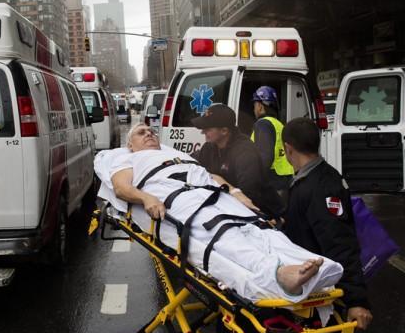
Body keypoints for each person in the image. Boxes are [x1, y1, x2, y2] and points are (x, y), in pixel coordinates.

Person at [94, 123, 344, 302]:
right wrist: (146, 197)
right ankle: (276, 275)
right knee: (224, 233)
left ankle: (309, 264)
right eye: (141, 133)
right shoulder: (125, 158)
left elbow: (212, 175)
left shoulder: (176, 154)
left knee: (256, 226)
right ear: (130, 144)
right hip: (177, 196)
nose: (149, 134)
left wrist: (236, 194)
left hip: (211, 192)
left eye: (151, 131)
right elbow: (121, 187)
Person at [281, 117, 370, 333]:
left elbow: (341, 245)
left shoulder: (321, 186)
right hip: (313, 289)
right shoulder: (310, 180)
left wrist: (357, 300)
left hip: (325, 291)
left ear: (288, 149)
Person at [190, 104, 285, 219]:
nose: (203, 132)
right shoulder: (210, 147)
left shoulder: (245, 152)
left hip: (264, 214)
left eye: (208, 129)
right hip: (232, 208)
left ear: (224, 131)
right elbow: (192, 164)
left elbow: (246, 196)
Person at [250, 86, 294, 195]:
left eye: (254, 105)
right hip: (284, 179)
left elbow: (265, 156)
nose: (253, 109)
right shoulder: (277, 124)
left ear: (260, 106)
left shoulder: (263, 123)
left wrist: (254, 180)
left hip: (272, 181)